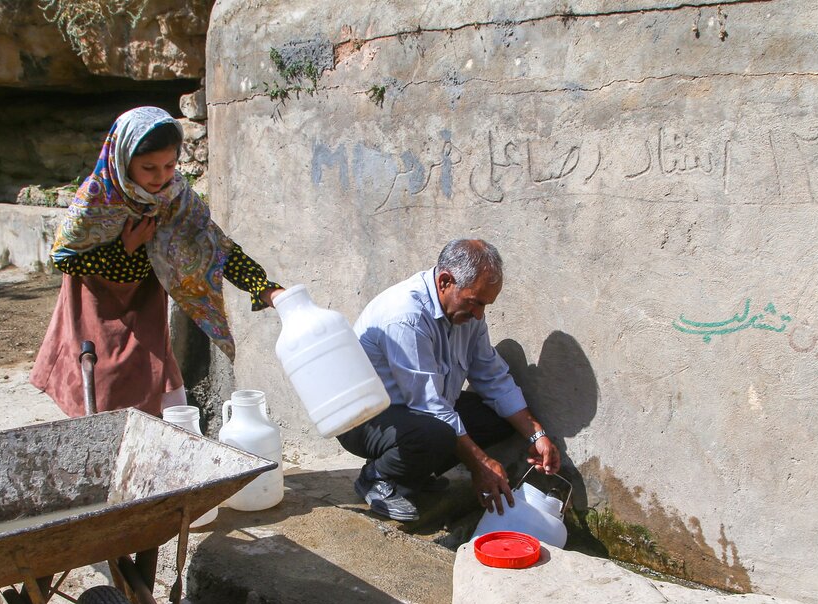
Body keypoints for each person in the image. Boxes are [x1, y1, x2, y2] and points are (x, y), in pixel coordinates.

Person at [31, 106, 284, 416]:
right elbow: (65, 258)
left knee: (163, 386)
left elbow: (214, 245)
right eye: (148, 167)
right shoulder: (97, 197)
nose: (161, 177)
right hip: (97, 308)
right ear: (124, 160)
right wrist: (125, 248)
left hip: (145, 303)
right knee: (104, 390)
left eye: (169, 165)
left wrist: (263, 288)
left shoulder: (175, 196)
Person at [338, 238, 560, 522]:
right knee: (437, 433)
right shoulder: (405, 316)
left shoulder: (469, 315)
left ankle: (414, 471)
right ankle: (377, 477)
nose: (480, 314)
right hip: (366, 419)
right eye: (475, 302)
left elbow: (492, 377)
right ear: (445, 281)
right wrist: (481, 465)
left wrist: (536, 434)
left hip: (413, 413)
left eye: (485, 305)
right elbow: (429, 405)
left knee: (493, 416)